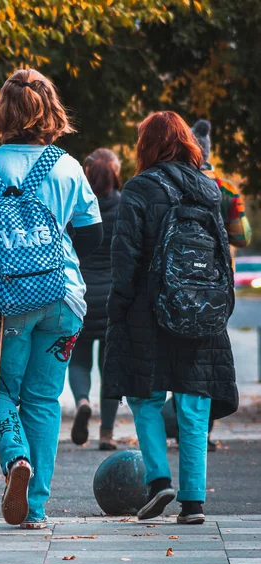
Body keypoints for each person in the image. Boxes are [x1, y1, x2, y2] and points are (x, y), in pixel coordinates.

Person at [0, 69, 102, 529]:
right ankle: (35, 508)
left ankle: (15, 459)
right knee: (44, 400)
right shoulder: (68, 166)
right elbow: (93, 236)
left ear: (2, 113)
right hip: (63, 299)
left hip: (8, 301)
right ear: (49, 111)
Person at [102, 111, 238, 524]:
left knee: (146, 396)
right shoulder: (208, 189)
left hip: (149, 309)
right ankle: (194, 502)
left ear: (148, 145)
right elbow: (222, 252)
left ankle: (159, 481)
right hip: (202, 309)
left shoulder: (139, 189)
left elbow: (125, 258)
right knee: (194, 404)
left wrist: (117, 311)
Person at [192, 119, 252, 450]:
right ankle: (205, 432)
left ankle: (182, 427)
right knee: (209, 359)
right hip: (217, 282)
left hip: (176, 282)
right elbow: (243, 237)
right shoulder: (226, 189)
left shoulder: (170, 183)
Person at [68, 149, 121, 450]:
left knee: (79, 358)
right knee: (109, 366)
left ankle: (82, 402)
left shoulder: (77, 206)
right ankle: (107, 433)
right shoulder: (125, 204)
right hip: (113, 298)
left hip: (82, 294)